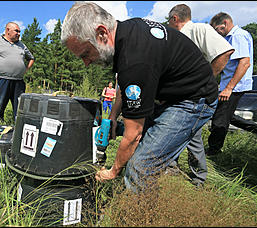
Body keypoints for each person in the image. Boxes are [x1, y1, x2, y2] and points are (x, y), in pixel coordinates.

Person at [61, 2, 218, 192]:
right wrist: (112, 117)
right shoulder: (127, 32)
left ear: (102, 33)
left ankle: (140, 217)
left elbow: (134, 134)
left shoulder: (134, 59)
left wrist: (113, 170)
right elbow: (125, 84)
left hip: (193, 100)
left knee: (141, 167)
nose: (86, 63)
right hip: (170, 95)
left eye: (86, 53)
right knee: (137, 141)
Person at [167, 4, 234, 186]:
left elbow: (224, 52)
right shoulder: (176, 37)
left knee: (192, 134)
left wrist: (205, 79)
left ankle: (198, 178)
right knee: (174, 131)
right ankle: (173, 167)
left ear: (175, 18)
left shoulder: (199, 29)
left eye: (169, 20)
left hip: (196, 95)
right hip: (179, 95)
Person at [206, 12, 253, 156]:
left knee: (220, 119)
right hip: (230, 84)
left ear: (225, 23)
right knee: (225, 115)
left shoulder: (237, 36)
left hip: (235, 86)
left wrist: (229, 88)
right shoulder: (230, 37)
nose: (217, 33)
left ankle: (214, 151)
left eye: (217, 29)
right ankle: (255, 129)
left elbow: (244, 63)